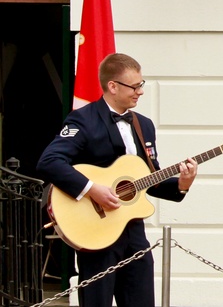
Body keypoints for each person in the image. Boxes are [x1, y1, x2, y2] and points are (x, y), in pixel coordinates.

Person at [36, 53, 198, 307]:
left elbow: (149, 180)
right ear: (112, 86)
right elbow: (49, 161)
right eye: (134, 86)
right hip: (96, 232)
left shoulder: (144, 125)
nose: (140, 92)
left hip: (134, 234)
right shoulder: (84, 120)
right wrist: (92, 189)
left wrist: (181, 185)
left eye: (141, 85)